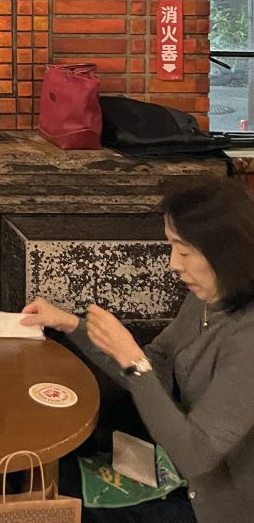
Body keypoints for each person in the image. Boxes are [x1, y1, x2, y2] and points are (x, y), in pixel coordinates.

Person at [20, 176, 254, 523]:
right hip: (167, 464)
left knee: (53, 504)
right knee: (40, 475)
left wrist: (132, 358)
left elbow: (195, 456)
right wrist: (70, 324)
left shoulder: (247, 339)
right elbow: (153, 365)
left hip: (210, 505)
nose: (174, 263)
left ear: (224, 251)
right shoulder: (207, 298)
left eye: (185, 251)